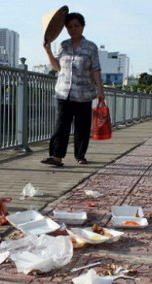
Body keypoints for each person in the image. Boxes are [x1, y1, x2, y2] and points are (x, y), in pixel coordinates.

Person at [41, 12, 105, 167]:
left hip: (83, 94)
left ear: (82, 26)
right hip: (64, 92)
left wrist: (101, 92)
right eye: (69, 27)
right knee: (61, 125)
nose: (73, 29)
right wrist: (48, 51)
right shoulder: (64, 45)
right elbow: (57, 67)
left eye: (76, 26)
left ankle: (80, 155)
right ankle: (57, 157)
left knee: (82, 127)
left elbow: (96, 70)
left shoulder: (91, 47)